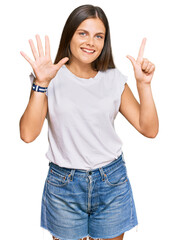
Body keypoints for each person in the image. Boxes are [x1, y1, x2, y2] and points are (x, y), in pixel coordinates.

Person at [19, 4, 159, 240]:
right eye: (82, 33)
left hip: (111, 183)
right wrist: (41, 83)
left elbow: (149, 129)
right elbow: (27, 134)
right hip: (64, 186)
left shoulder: (113, 79)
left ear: (105, 42)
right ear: (69, 35)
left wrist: (144, 85)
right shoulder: (49, 77)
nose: (90, 42)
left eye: (98, 36)